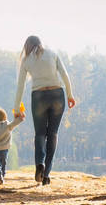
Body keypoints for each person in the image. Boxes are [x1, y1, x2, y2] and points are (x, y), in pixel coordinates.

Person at [13, 35, 76, 186]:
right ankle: (46, 175)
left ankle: (39, 164)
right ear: (40, 43)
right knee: (52, 133)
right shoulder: (52, 53)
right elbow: (65, 75)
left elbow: (20, 85)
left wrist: (16, 108)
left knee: (40, 133)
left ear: (27, 46)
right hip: (57, 94)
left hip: (39, 95)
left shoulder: (27, 60)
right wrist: (70, 95)